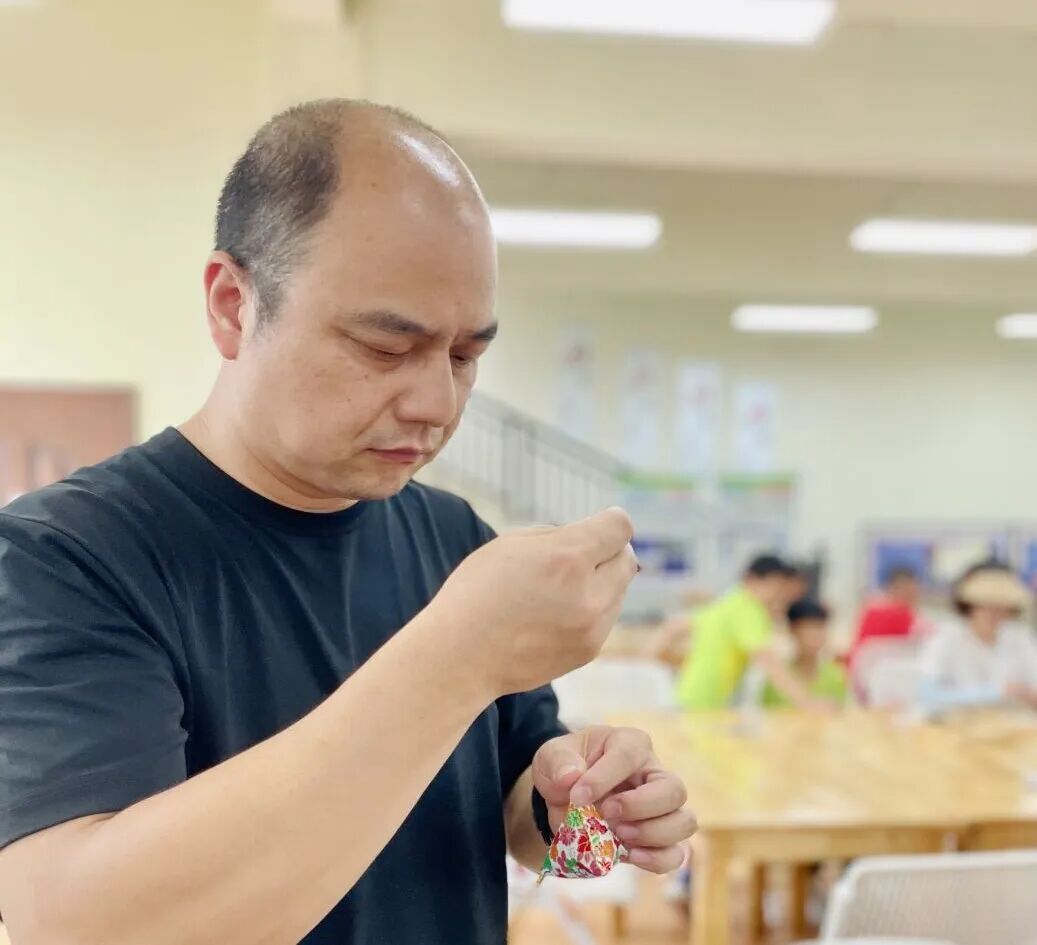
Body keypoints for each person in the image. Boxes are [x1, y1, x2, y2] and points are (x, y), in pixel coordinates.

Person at [0, 100, 695, 945]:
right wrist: (457, 656)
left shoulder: (454, 539)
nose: (437, 402)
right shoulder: (64, 557)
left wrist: (578, 802)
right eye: (383, 347)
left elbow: (520, 816)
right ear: (232, 305)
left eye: (465, 355)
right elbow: (84, 923)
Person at [675, 554, 832, 711]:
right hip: (702, 705)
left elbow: (677, 626)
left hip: (693, 697)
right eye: (774, 588)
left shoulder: (731, 601)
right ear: (751, 580)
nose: (776, 596)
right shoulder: (749, 609)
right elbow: (767, 660)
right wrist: (807, 702)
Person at [918, 562, 1037, 711]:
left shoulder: (1020, 637)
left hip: (1014, 721)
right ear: (969, 603)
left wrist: (1027, 694)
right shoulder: (945, 638)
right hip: (959, 721)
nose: (994, 611)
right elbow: (928, 695)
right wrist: (997, 692)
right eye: (985, 603)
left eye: (1002, 604)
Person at [761, 599, 849, 709]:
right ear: (792, 630)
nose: (815, 637)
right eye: (808, 629)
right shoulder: (778, 675)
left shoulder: (835, 675)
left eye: (820, 628)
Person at [849, 564, 927, 672]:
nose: (911, 594)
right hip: (879, 672)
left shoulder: (871, 609)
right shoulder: (898, 615)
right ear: (893, 589)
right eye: (907, 590)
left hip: (864, 672)